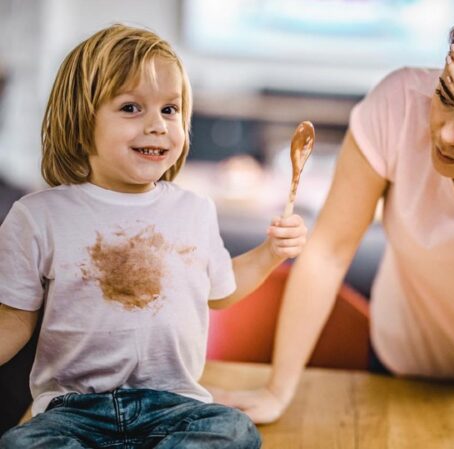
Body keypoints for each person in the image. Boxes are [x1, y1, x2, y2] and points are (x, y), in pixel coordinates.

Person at [213, 0, 454, 424]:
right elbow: (328, 252)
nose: (448, 134)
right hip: (399, 368)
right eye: (445, 97)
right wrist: (278, 389)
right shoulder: (399, 103)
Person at [0, 24, 308, 448]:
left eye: (170, 109)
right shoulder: (37, 217)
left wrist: (272, 252)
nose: (158, 125)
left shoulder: (195, 210)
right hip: (72, 412)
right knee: (20, 444)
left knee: (235, 432)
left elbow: (219, 291)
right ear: (80, 117)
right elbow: (15, 320)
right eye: (131, 108)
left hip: (174, 405)